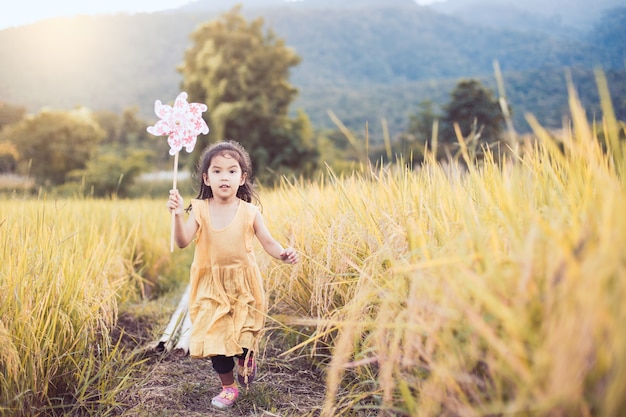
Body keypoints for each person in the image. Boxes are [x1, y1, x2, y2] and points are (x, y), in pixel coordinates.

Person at [166, 140, 298, 410]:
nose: (223, 177)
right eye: (216, 171)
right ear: (206, 177)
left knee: (244, 332)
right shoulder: (200, 208)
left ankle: (246, 357)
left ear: (242, 177)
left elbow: (269, 243)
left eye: (231, 171)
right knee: (216, 341)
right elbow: (181, 241)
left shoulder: (250, 212)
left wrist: (283, 254)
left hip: (243, 285)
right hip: (209, 285)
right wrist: (178, 215)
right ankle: (228, 387)